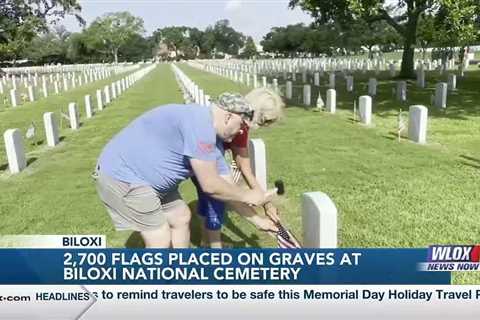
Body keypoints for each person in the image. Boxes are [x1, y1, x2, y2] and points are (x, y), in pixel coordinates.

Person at [94, 95, 278, 248]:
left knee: (180, 217)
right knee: (160, 237)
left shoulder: (214, 142)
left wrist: (259, 221)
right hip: (125, 176)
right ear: (228, 117)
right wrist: (247, 195)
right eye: (241, 125)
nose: (241, 133)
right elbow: (211, 186)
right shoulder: (199, 124)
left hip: (150, 181)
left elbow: (225, 189)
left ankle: (180, 270)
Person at [193, 89, 285, 248]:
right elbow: (244, 166)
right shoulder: (241, 124)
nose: (262, 125)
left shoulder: (235, 114)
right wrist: (263, 204)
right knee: (217, 199)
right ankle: (216, 253)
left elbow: (243, 163)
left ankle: (206, 242)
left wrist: (265, 203)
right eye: (264, 121)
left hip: (199, 154)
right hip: (206, 155)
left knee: (205, 199)